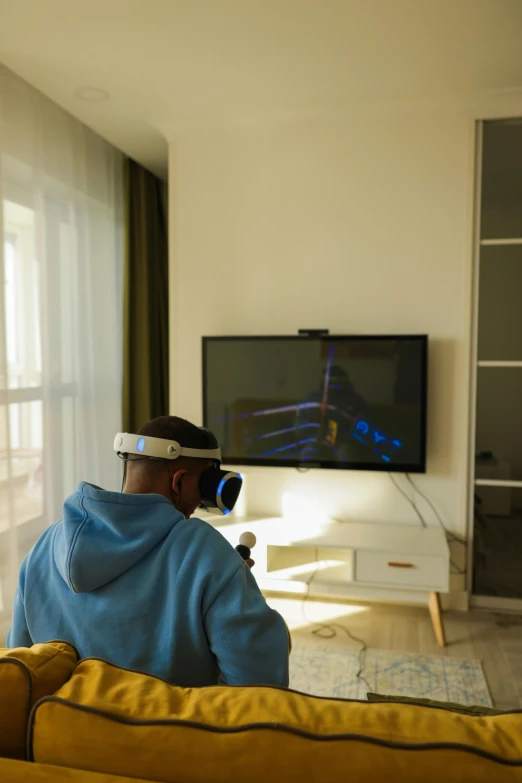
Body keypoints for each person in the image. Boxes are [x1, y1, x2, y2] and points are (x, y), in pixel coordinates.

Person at [7, 416, 289, 688]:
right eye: (199, 492)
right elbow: (259, 685)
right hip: (166, 735)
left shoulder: (43, 547)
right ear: (178, 482)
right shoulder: (206, 551)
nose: (194, 509)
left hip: (64, 729)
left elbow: (21, 666)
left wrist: (225, 580)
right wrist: (233, 581)